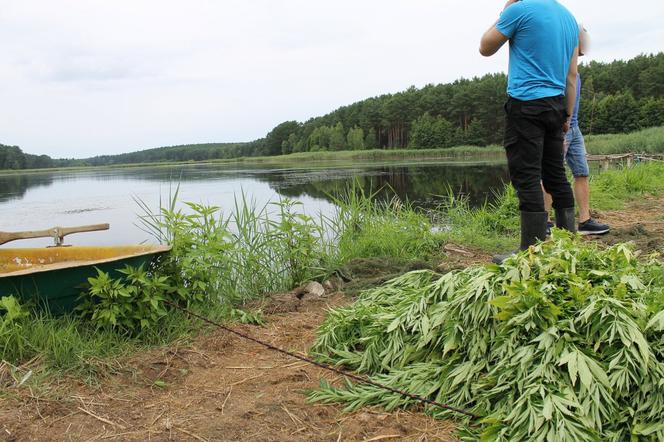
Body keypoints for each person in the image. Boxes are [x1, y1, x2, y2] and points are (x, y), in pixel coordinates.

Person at [480, 0, 580, 263]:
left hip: (526, 105)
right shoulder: (569, 19)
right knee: (556, 174)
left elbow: (485, 47)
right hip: (556, 105)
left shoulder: (518, 10)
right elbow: (572, 76)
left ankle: (530, 252)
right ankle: (567, 245)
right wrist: (567, 115)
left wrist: (504, 11)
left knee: (527, 176)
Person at [543, 27, 610, 235]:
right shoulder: (561, 66)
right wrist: (561, 125)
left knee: (582, 172)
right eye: (582, 37)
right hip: (561, 129)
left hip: (576, 129)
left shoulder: (575, 68)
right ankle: (544, 222)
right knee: (550, 175)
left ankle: (585, 220)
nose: (585, 41)